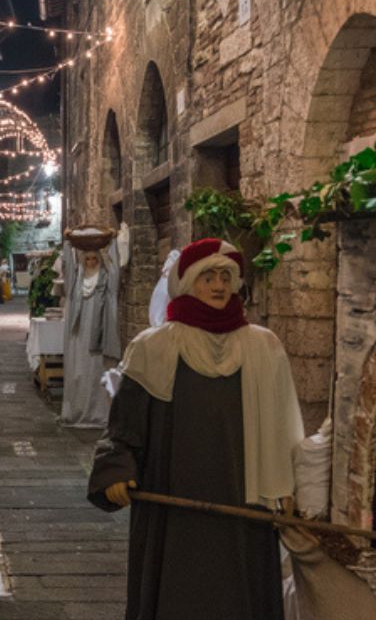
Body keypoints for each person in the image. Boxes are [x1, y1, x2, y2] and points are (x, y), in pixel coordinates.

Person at [87, 238, 304, 619]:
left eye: (225, 276)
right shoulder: (154, 348)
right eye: (208, 277)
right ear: (187, 283)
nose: (219, 286)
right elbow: (125, 425)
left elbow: (284, 423)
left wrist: (288, 485)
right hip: (173, 501)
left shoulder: (264, 347)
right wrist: (116, 469)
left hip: (244, 500)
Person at [60, 237, 121, 428]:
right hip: (79, 334)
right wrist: (68, 242)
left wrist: (112, 243)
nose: (91, 263)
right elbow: (68, 265)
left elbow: (115, 269)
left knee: (96, 371)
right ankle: (77, 409)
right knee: (78, 371)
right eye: (88, 260)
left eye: (94, 259)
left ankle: (97, 412)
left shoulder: (105, 278)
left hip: (98, 332)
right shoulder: (76, 281)